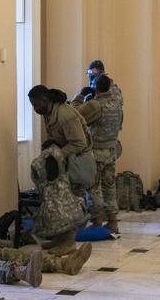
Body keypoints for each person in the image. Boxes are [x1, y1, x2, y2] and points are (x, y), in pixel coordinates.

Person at [27, 85, 93, 268]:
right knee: (58, 201)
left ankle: (68, 244)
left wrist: (58, 154)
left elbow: (80, 143)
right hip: (66, 162)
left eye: (36, 104)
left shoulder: (65, 115)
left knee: (69, 202)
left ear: (45, 100)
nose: (34, 108)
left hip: (77, 163)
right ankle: (60, 240)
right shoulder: (49, 113)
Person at [75, 74, 124, 234]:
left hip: (96, 152)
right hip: (112, 150)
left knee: (94, 187)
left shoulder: (96, 105)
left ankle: (97, 221)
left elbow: (76, 115)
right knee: (109, 186)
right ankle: (113, 221)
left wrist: (80, 96)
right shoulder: (116, 102)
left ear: (96, 87)